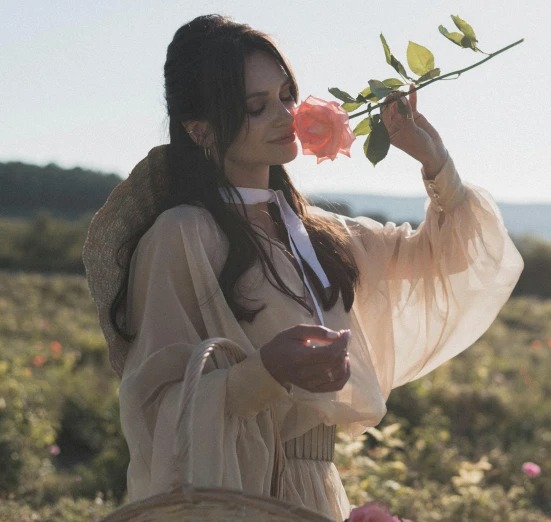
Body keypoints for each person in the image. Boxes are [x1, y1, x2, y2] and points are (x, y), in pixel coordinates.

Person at [81, 13, 524, 522]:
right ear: (198, 127)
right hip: (234, 496)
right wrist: (265, 372)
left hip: (315, 492)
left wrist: (434, 161)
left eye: (287, 96)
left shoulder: (318, 234)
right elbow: (157, 406)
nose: (284, 114)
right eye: (256, 106)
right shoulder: (182, 235)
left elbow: (452, 258)